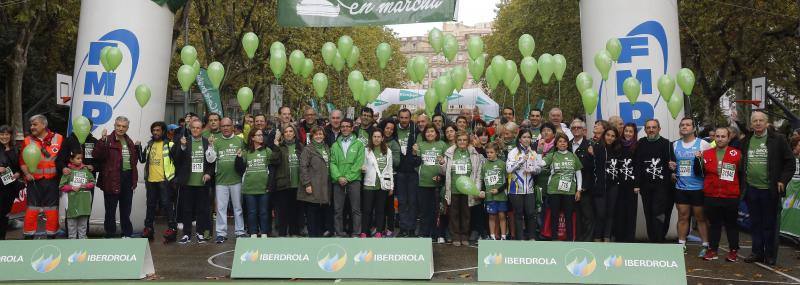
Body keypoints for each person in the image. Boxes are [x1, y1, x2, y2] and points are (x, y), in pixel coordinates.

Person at [739, 111, 794, 265]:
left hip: (770, 191)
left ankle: (770, 255)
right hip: (751, 189)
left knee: (770, 225)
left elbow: (790, 163)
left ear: (766, 122)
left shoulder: (779, 140)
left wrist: (783, 180)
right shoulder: (747, 140)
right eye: (755, 120)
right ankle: (756, 252)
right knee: (755, 224)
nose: (757, 123)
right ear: (751, 124)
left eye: (760, 120)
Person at [669, 117, 711, 254]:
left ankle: (705, 244)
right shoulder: (675, 145)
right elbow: (672, 165)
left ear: (693, 128)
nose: (684, 127)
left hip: (698, 188)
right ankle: (681, 244)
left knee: (700, 217)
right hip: (681, 187)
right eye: (682, 125)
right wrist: (672, 171)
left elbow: (710, 164)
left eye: (687, 125)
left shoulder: (703, 144)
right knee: (682, 216)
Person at [93, 116, 139, 238]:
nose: (121, 128)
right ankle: (110, 234)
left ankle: (127, 234)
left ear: (127, 128)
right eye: (118, 125)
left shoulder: (129, 141)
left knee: (126, 210)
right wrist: (102, 141)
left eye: (123, 126)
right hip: (111, 179)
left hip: (127, 178)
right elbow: (97, 155)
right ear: (114, 126)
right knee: (110, 210)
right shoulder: (107, 140)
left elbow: (133, 162)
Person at [19, 115, 64, 239]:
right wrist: (27, 174)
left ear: (44, 125)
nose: (32, 127)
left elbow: (63, 160)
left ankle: (52, 235)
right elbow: (22, 162)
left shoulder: (59, 138)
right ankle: (28, 236)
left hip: (53, 181)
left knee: (52, 209)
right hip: (34, 181)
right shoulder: (27, 140)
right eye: (31, 125)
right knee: (32, 209)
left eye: (35, 124)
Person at [701, 127, 742, 261]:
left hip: (730, 196)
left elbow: (741, 175)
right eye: (717, 136)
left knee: (731, 225)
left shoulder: (737, 154)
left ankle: (733, 251)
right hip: (711, 195)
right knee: (714, 224)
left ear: (729, 138)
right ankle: (713, 250)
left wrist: (740, 193)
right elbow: (701, 172)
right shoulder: (706, 154)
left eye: (723, 136)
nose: (719, 139)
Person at [174, 119, 216, 244]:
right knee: (186, 209)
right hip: (187, 182)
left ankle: (200, 233)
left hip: (202, 183)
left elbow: (212, 161)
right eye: (193, 128)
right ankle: (186, 234)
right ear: (190, 129)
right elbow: (177, 160)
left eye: (198, 128)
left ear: (202, 129)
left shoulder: (206, 142)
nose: (196, 130)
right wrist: (182, 147)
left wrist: (208, 174)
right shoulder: (184, 141)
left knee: (201, 209)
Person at [441, 130, 484, 246]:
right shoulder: (449, 153)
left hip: (468, 189)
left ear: (468, 141)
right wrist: (441, 164)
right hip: (453, 188)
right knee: (454, 213)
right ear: (456, 141)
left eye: (465, 140)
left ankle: (465, 235)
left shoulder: (474, 153)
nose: (462, 142)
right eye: (459, 140)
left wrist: (476, 189)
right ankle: (455, 236)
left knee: (466, 214)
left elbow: (478, 173)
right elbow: (444, 172)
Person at [633, 119, 673, 243]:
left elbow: (671, 164)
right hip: (645, 186)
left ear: (659, 129)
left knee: (659, 213)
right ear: (645, 130)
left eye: (654, 127)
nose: (651, 130)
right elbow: (637, 164)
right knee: (648, 213)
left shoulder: (666, 143)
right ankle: (652, 240)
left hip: (661, 186)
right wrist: (637, 184)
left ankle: (659, 239)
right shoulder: (641, 143)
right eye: (648, 127)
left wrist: (672, 169)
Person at [138, 121, 179, 242]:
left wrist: (174, 179)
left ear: (163, 131)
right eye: (154, 130)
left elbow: (178, 161)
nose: (155, 132)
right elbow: (142, 159)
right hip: (150, 181)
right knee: (150, 206)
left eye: (158, 130)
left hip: (164, 181)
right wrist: (138, 147)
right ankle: (148, 229)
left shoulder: (170, 144)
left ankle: (172, 229)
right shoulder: (149, 144)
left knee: (167, 205)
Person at [236, 128, 277, 238]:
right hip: (249, 188)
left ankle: (264, 232)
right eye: (258, 135)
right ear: (252, 137)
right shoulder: (247, 152)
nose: (261, 137)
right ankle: (253, 232)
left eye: (261, 135)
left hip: (264, 188)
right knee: (251, 212)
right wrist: (238, 158)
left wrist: (270, 185)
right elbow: (239, 168)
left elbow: (272, 169)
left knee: (264, 212)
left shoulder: (267, 151)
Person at [210, 118, 245, 243]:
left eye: (228, 126)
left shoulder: (240, 141)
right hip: (221, 180)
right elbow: (210, 159)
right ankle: (221, 233)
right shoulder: (216, 141)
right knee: (221, 209)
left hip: (237, 180)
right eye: (223, 126)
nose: (225, 128)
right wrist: (210, 146)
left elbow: (244, 159)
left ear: (232, 127)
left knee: (238, 207)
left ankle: (240, 232)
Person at [542, 133, 583, 241]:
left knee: (568, 216)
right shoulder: (552, 155)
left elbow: (578, 173)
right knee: (554, 216)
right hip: (554, 190)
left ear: (567, 143)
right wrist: (536, 153)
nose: (562, 143)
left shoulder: (573, 155)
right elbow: (541, 163)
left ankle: (570, 239)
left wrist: (578, 190)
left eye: (564, 141)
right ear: (556, 144)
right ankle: (554, 239)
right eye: (560, 141)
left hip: (569, 191)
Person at [330, 118, 365, 237]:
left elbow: (359, 163)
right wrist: (339, 177)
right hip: (338, 181)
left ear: (352, 128)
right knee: (337, 210)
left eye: (347, 126)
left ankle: (356, 233)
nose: (345, 128)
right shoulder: (335, 145)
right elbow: (332, 163)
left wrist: (348, 178)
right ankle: (339, 232)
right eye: (343, 126)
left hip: (354, 180)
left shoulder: (359, 144)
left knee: (356, 209)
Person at [507, 128, 543, 240]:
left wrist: (532, 170)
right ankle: (520, 239)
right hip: (516, 188)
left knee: (531, 213)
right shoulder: (513, 152)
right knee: (518, 214)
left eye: (528, 137)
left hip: (530, 189)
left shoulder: (533, 152)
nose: (527, 139)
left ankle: (531, 237)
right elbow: (508, 169)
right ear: (519, 139)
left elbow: (539, 169)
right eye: (524, 137)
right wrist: (522, 160)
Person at [593, 128, 627, 242]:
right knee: (600, 214)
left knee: (610, 213)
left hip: (613, 186)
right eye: (608, 135)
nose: (610, 138)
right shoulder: (597, 147)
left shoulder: (618, 149)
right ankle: (597, 238)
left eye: (613, 136)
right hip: (600, 186)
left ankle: (607, 238)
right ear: (604, 135)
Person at [415, 123, 448, 239]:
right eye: (427, 132)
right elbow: (416, 163)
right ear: (424, 134)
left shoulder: (442, 144)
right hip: (423, 182)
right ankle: (424, 233)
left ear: (436, 133)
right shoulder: (420, 145)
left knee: (437, 210)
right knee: (424, 210)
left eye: (432, 131)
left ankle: (436, 234)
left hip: (438, 183)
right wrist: (414, 152)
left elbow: (447, 163)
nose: (430, 134)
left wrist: (441, 175)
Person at [271, 125, 304, 237]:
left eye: (291, 131)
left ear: (294, 133)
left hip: (298, 184)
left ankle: (294, 232)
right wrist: (275, 146)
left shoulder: (300, 146)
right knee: (283, 212)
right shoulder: (280, 147)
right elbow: (274, 161)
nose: (289, 133)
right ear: (283, 134)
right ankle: (282, 234)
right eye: (286, 132)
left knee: (295, 211)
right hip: (284, 184)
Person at [299, 126, 331, 237]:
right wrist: (307, 184)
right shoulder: (308, 149)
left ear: (324, 135)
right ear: (312, 136)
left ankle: (319, 236)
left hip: (324, 186)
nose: (318, 136)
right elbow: (303, 167)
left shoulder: (326, 147)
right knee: (312, 214)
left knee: (321, 213)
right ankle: (313, 237)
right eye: (316, 134)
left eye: (320, 134)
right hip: (312, 185)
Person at [362, 129, 394, 238]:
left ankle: (379, 231)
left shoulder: (388, 151)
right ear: (372, 138)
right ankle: (364, 232)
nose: (376, 139)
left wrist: (391, 186)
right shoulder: (366, 150)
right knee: (367, 210)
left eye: (379, 137)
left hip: (382, 185)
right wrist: (362, 168)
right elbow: (362, 164)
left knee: (380, 210)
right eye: (374, 136)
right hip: (369, 184)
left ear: (382, 138)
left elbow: (390, 169)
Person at [394, 109, 420, 237]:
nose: (404, 120)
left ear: (410, 118)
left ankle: (412, 228)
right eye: (402, 117)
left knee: (413, 201)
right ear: (398, 118)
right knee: (402, 201)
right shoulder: (394, 129)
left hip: (413, 171)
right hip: (399, 172)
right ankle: (403, 227)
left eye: (406, 117)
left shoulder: (416, 130)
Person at [58, 150, 95, 239]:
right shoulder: (68, 171)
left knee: (83, 226)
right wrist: (72, 188)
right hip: (72, 203)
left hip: (84, 203)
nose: (80, 160)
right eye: (78, 158)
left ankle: (82, 242)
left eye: (81, 158)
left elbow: (93, 182)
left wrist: (85, 185)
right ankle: (72, 243)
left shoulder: (86, 170)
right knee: (71, 226)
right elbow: (61, 186)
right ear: (71, 160)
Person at [569, 119, 595, 242]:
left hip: (585, 187)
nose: (576, 129)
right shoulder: (567, 145)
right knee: (576, 216)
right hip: (570, 187)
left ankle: (587, 241)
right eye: (573, 128)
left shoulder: (590, 145)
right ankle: (578, 240)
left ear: (584, 130)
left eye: (579, 127)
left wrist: (585, 186)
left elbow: (592, 168)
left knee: (588, 216)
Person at [614, 122, 639, 242]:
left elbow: (639, 166)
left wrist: (637, 184)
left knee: (631, 212)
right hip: (618, 184)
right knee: (619, 212)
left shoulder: (637, 146)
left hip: (631, 185)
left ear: (634, 134)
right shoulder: (617, 145)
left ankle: (629, 239)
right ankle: (619, 238)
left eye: (631, 131)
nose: (628, 133)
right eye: (626, 131)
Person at [481, 143, 508, 240]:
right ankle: (492, 236)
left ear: (496, 152)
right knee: (491, 216)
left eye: (491, 152)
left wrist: (498, 190)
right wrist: (482, 191)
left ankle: (503, 236)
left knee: (501, 215)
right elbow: (482, 180)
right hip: (489, 197)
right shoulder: (484, 165)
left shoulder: (502, 164)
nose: (489, 154)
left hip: (501, 196)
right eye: (487, 152)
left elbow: (508, 181)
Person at [0, 125, 21, 240]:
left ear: (11, 135)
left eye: (7, 134)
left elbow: (19, 167)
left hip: (10, 188)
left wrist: (18, 174)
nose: (4, 137)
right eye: (2, 134)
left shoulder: (16, 149)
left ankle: (2, 240)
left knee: (5, 215)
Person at [381, 119, 401, 236]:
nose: (389, 130)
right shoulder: (377, 138)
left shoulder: (394, 143)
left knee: (389, 205)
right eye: (387, 128)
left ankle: (390, 228)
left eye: (391, 129)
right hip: (377, 177)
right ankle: (379, 227)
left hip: (390, 178)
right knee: (379, 205)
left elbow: (397, 162)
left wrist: (386, 154)